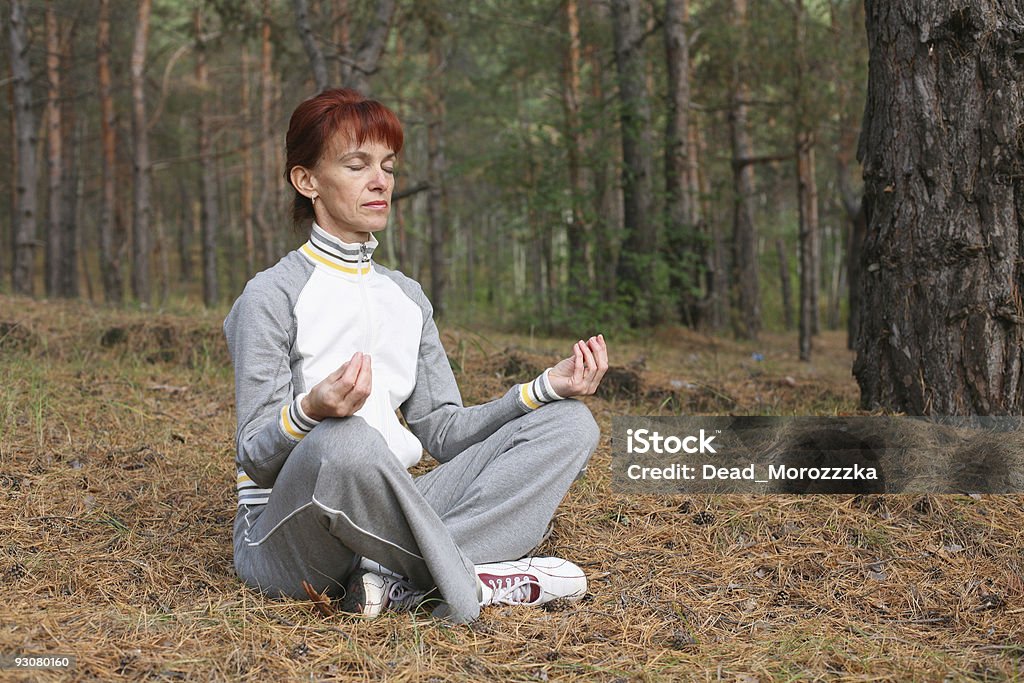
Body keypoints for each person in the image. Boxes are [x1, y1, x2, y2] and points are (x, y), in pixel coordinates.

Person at [224, 88, 608, 623]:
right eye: (356, 165)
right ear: (306, 180)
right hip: (286, 536)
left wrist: (545, 388)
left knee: (568, 424)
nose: (380, 181)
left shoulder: (406, 297)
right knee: (345, 438)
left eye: (387, 166)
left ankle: (391, 578)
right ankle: (464, 581)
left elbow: (444, 432)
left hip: (391, 506)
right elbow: (254, 456)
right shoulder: (272, 295)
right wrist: (311, 410)